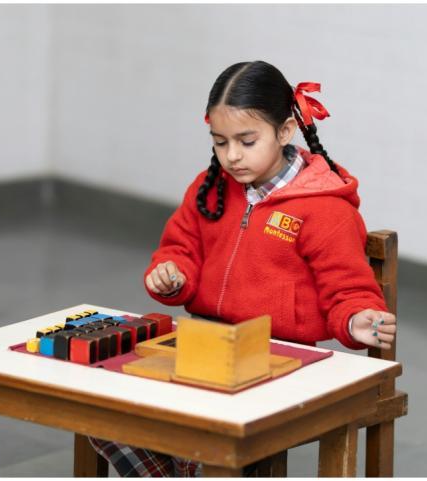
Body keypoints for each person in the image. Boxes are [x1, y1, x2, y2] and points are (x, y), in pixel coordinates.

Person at [92, 60, 398, 476]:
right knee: (101, 407)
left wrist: (355, 318)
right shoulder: (210, 187)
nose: (232, 156)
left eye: (247, 141)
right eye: (220, 142)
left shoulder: (325, 208)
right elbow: (179, 248)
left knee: (203, 432)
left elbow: (348, 288)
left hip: (280, 359)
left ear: (285, 131)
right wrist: (171, 274)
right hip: (205, 343)